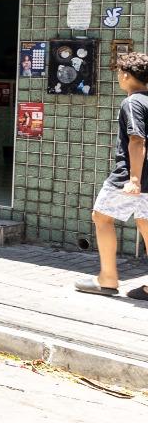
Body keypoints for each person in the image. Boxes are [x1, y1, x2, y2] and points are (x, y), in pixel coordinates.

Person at [78, 51, 148, 300]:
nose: (118, 78)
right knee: (145, 223)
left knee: (101, 216)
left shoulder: (132, 102)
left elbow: (137, 140)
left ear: (127, 75)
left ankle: (108, 278)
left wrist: (134, 179)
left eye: (119, 73)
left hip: (129, 176)